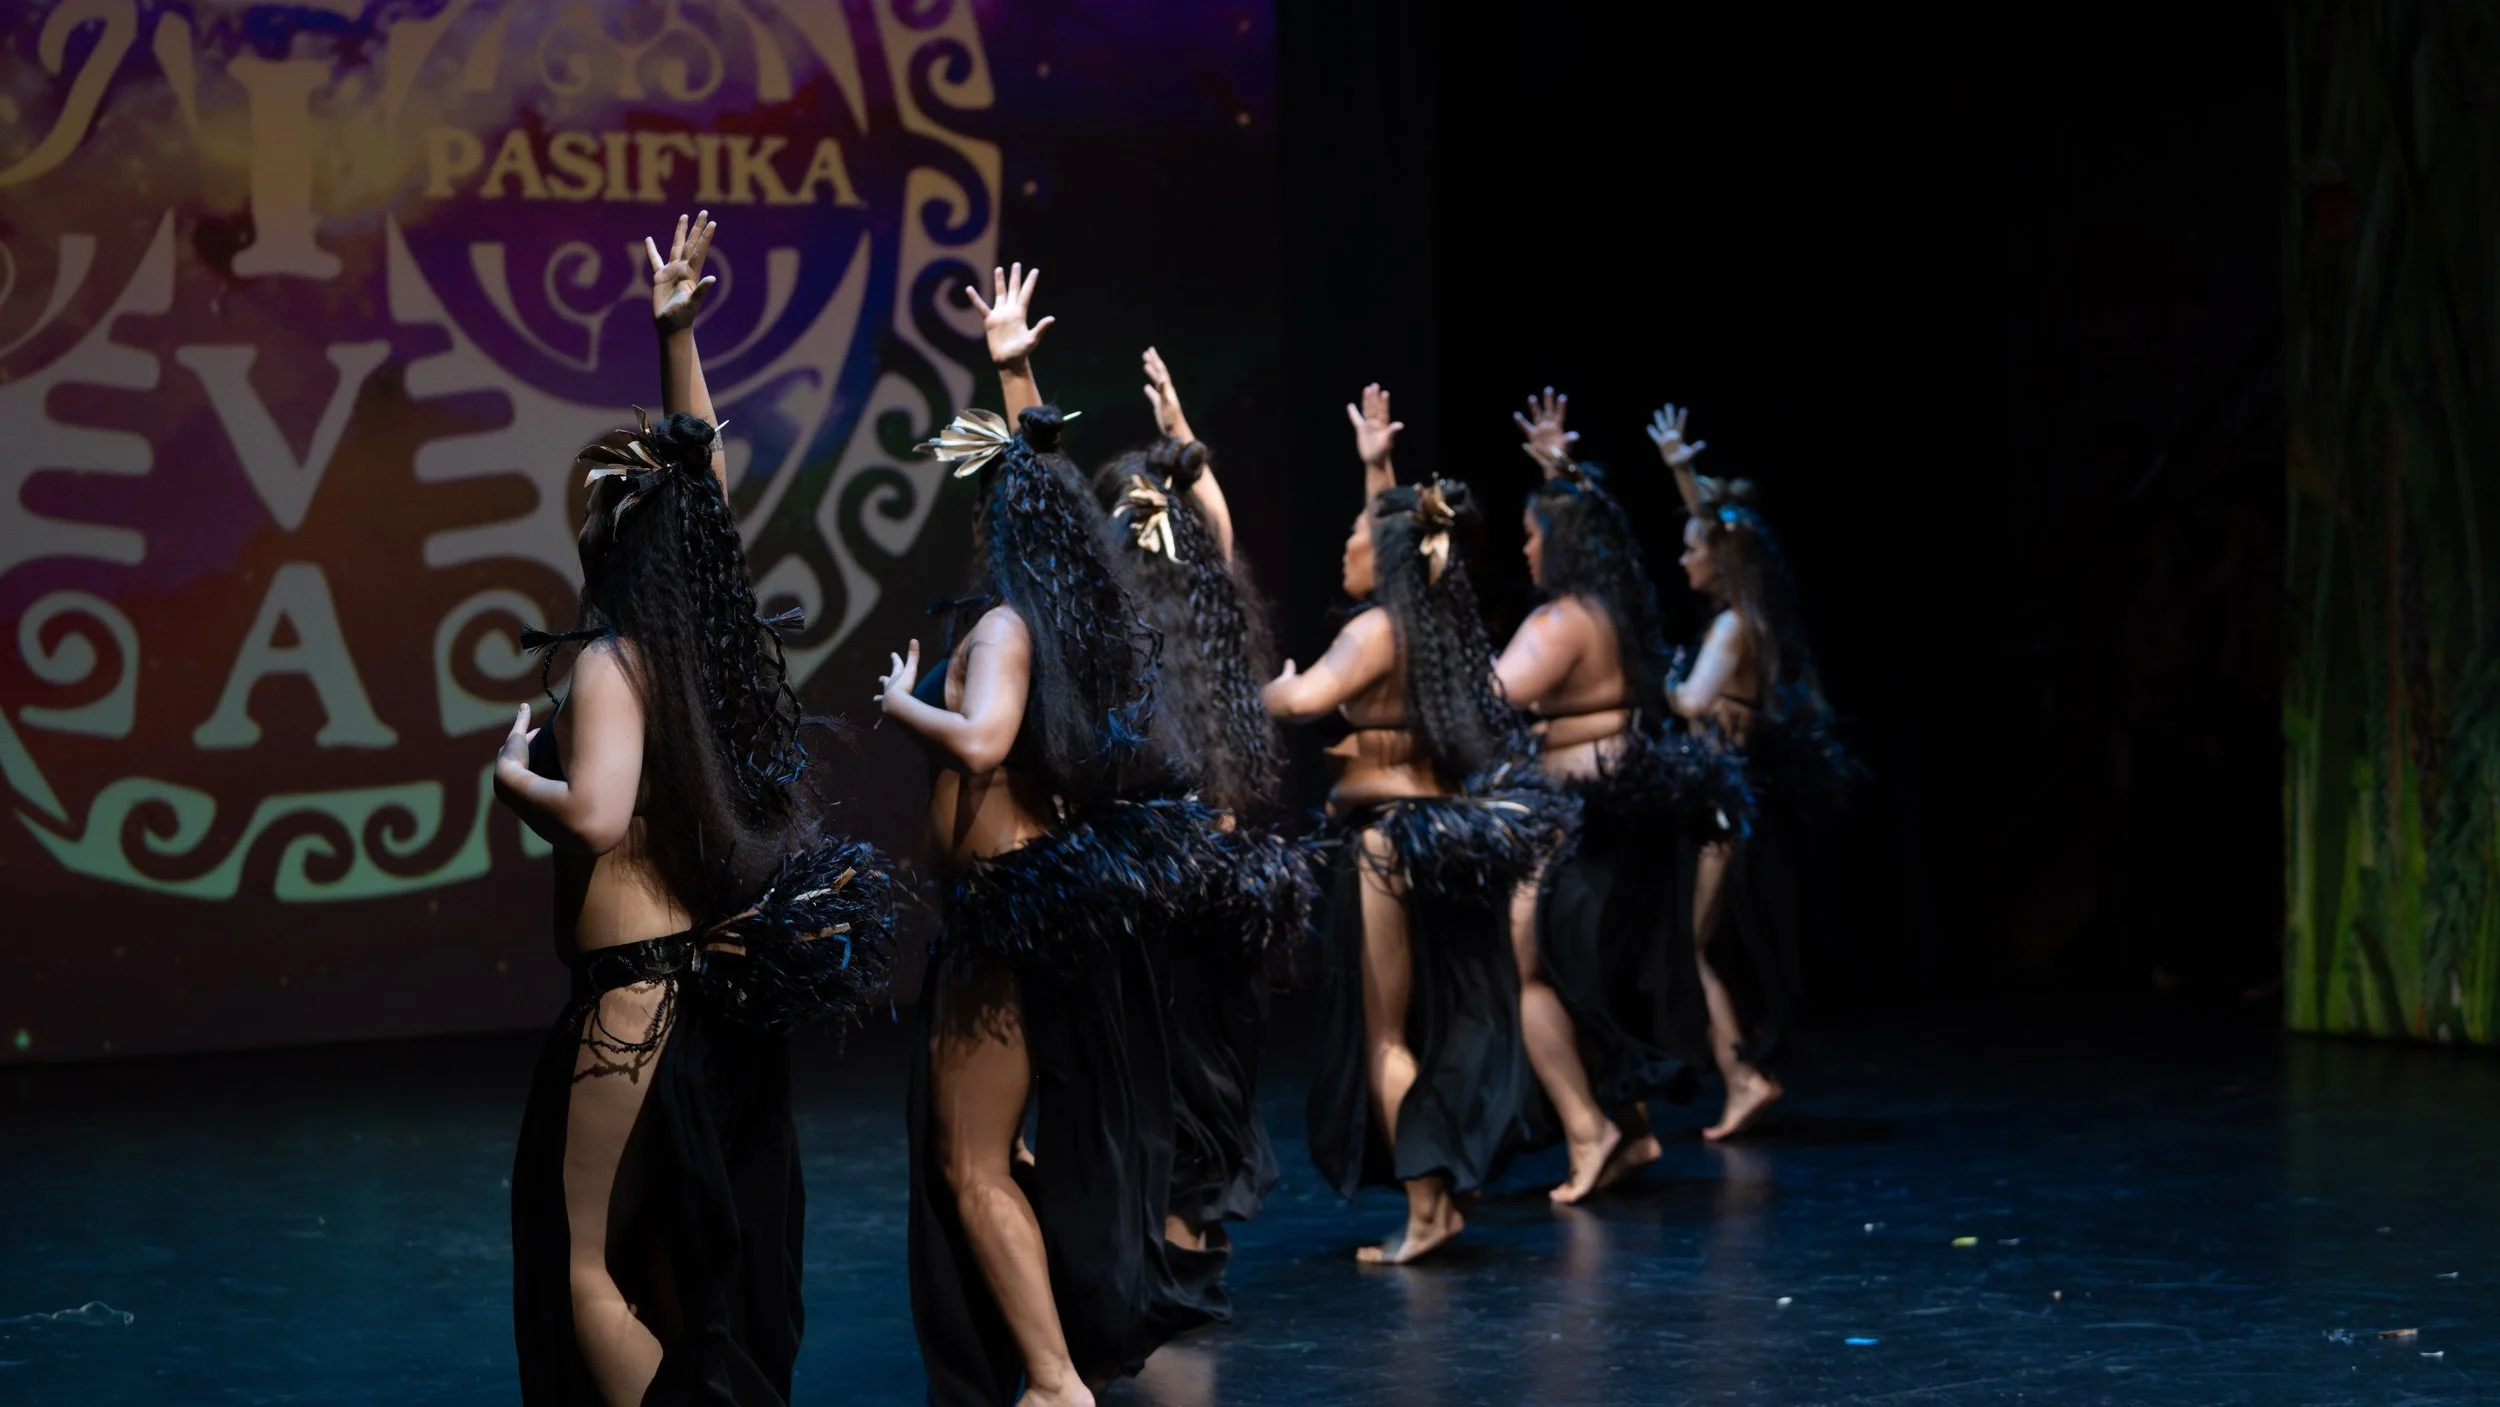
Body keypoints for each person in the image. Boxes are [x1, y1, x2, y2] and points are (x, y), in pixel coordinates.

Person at [498, 212, 896, 1407]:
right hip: (703, 1001)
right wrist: (676, 336)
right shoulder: (709, 670)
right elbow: (701, 489)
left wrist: (516, 776)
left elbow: (595, 818)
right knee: (686, 1272)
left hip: (635, 999)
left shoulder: (618, 663)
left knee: (584, 1266)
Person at [883, 266, 1223, 1405]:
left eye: (985, 504)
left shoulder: (1005, 627)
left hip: (1010, 915)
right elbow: (1042, 469)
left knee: (968, 1160)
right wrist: (1010, 365)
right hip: (1042, 911)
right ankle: (1050, 1340)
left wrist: (902, 706)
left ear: (998, 526)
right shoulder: (1066, 626)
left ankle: (1048, 1379)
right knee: (999, 1149)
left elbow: (980, 745)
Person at [1263, 385, 1571, 1264]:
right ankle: (1442, 1195)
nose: (1347, 547)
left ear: (1384, 555)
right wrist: (1376, 469)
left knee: (1386, 1034)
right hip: (1446, 840)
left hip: (1388, 846)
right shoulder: (1436, 625)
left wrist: (1270, 686)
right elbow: (1394, 528)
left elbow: (1306, 699)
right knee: (1428, 1023)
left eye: (1357, 538)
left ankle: (1429, 1208)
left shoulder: (1371, 630)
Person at [1092, 348, 1310, 1281]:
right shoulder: (1213, 630)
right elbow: (1213, 534)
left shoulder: (1121, 645)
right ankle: (1199, 1244)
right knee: (1214, 1068)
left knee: (1173, 1074)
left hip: (1169, 892)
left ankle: (1183, 1259)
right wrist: (1184, 444)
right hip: (1231, 888)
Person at [1494, 388, 1739, 1201]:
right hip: (1610, 818)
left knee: (1529, 966)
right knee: (1585, 977)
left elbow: (1490, 695)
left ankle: (1588, 1127)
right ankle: (1629, 1132)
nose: (1524, 549)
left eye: (1532, 535)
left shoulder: (1563, 620)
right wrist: (1562, 468)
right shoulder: (1617, 604)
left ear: (1557, 543)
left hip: (1580, 823)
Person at [1648, 403, 1847, 1140]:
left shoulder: (1730, 627)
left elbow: (1694, 699)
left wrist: (1649, 679)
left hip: (1721, 804)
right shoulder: (1749, 616)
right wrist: (1680, 471)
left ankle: (1742, 1076)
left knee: (1693, 944)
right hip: (1733, 800)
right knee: (1706, 943)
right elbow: (1720, 530)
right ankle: (1743, 1072)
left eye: (1689, 547)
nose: (1682, 557)